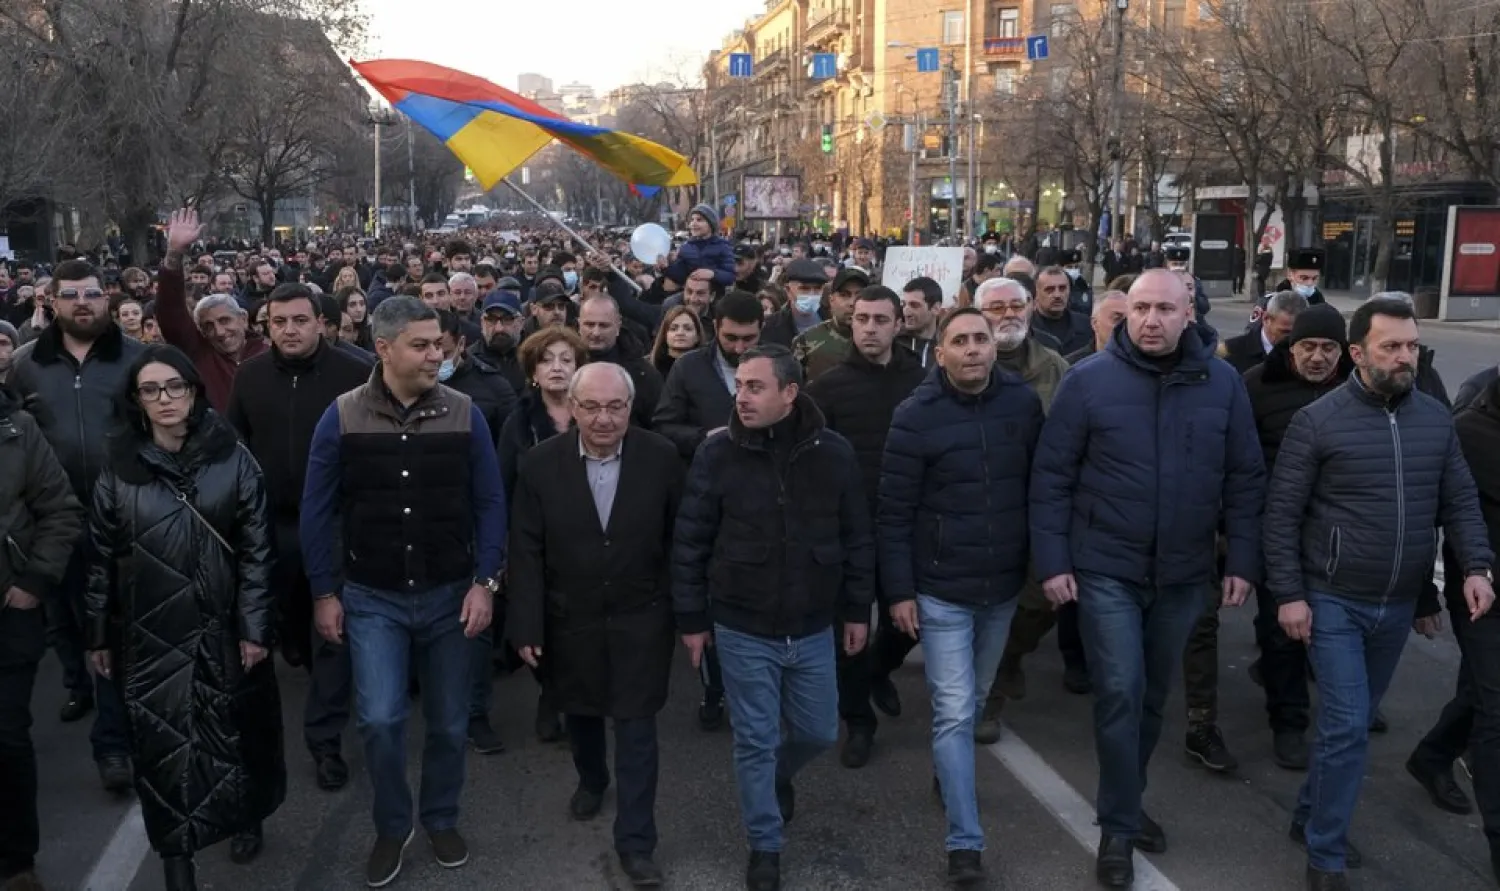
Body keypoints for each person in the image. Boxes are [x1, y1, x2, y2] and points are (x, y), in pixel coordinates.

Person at [1029, 269, 1265, 888]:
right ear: (1124, 314)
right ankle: (1118, 828)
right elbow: (1051, 478)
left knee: (1154, 696)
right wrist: (1053, 562)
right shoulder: (1087, 383)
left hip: (1185, 573)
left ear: (1190, 313)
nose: (1151, 320)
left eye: (1164, 308)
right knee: (1120, 690)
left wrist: (1242, 558)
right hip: (1107, 567)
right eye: (1139, 308)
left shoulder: (1222, 384)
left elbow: (1244, 477)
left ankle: (1124, 803)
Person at [1263, 297, 1494, 891]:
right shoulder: (1317, 422)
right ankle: (1326, 856)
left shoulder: (1435, 419)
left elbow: (1460, 502)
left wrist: (1475, 567)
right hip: (1332, 597)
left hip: (1393, 603)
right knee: (1345, 727)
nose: (1404, 356)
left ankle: (1310, 813)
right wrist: (1289, 595)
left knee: (1356, 720)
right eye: (1391, 346)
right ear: (1357, 353)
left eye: (1412, 345)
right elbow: (1282, 517)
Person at [300, 297, 505, 888]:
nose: (435, 354)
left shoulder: (467, 413)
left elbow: (490, 503)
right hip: (372, 597)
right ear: (383, 349)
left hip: (450, 595)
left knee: (447, 723)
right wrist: (324, 591)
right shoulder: (339, 417)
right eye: (421, 345)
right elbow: (319, 512)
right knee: (382, 719)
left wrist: (485, 582)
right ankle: (394, 825)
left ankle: (440, 816)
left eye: (438, 344)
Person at [672, 343, 875, 891]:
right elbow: (691, 541)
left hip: (812, 624)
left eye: (755, 387)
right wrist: (692, 619)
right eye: (739, 386)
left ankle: (778, 776)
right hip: (741, 623)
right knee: (754, 740)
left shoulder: (833, 454)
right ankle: (765, 844)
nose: (742, 397)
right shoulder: (716, 455)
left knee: (816, 730)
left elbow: (857, 536)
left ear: (790, 393)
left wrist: (858, 609)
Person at [84, 344, 284, 890]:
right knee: (163, 749)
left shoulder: (232, 457)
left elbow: (257, 550)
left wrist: (254, 627)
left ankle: (245, 816)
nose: (164, 399)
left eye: (174, 386)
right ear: (136, 401)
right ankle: (178, 861)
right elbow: (100, 557)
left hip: (223, 626)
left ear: (194, 392)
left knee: (232, 734)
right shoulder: (119, 467)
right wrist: (98, 634)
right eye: (150, 390)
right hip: (150, 633)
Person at [878, 306, 1043, 886]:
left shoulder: (1022, 404)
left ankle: (948, 774)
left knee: (971, 705)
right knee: (953, 712)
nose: (974, 348)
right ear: (940, 352)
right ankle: (965, 843)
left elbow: (1040, 488)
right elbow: (893, 513)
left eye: (982, 338)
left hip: (1001, 586)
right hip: (941, 587)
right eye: (961, 341)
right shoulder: (914, 417)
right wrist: (900, 591)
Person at [507, 363, 685, 888]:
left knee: (636, 731)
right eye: (591, 407)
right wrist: (526, 623)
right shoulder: (539, 465)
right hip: (571, 618)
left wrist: (686, 614)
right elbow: (527, 549)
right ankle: (590, 777)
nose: (604, 419)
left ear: (631, 407)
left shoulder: (662, 458)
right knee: (581, 714)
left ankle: (636, 842)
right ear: (572, 407)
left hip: (641, 617)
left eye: (616, 407)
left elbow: (680, 539)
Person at [226, 283, 371, 794]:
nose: (289, 330)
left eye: (299, 320)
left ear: (320, 323)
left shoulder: (356, 373)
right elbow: (234, 445)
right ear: (266, 326)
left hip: (336, 523)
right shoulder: (250, 377)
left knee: (332, 633)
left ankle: (325, 742)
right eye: (279, 321)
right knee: (286, 626)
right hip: (269, 525)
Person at [7, 257, 142, 792]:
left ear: (106, 299)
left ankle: (112, 744)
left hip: (122, 519)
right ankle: (78, 686)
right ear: (52, 302)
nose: (82, 303)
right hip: (52, 525)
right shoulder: (24, 365)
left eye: (91, 294)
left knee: (108, 629)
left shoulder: (138, 359)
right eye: (71, 295)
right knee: (64, 624)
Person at [804, 285, 927, 769]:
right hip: (848, 533)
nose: (870, 328)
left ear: (899, 324)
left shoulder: (921, 381)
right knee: (849, 632)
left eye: (880, 319)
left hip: (905, 528)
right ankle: (858, 722)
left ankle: (882, 667)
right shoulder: (827, 388)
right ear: (850, 323)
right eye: (861, 319)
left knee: (910, 623)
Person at [970, 277, 1082, 742]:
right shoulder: (969, 361)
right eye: (995, 308)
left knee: (1043, 600)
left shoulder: (1055, 367)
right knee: (987, 605)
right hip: (979, 507)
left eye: (1016, 306)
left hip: (1041, 506)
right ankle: (987, 697)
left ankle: (1011, 656)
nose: (1007, 315)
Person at [1408, 370, 1500, 881]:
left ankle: (1434, 754)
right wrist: (1424, 594)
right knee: (1497, 712)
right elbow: (1430, 517)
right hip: (1483, 593)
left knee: (1484, 694)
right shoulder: (1467, 432)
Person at [0, 382, 84, 891]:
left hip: (10, 611)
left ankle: (16, 861)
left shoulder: (18, 430)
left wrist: (32, 583)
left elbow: (60, 509)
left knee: (6, 736)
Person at [497, 325, 588, 743]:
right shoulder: (518, 422)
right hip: (534, 541)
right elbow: (502, 485)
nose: (557, 367)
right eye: (547, 360)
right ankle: (550, 692)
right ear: (533, 372)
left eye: (566, 360)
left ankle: (572, 700)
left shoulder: (596, 412)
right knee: (537, 627)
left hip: (589, 539)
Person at [155, 210, 267, 412]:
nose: (219, 332)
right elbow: (170, 312)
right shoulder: (200, 354)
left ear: (242, 318)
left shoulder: (269, 353)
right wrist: (174, 253)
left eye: (225, 321)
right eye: (208, 326)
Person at [578, 294, 662, 431]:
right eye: (589, 324)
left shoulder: (644, 374)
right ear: (579, 325)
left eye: (604, 326)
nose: (596, 332)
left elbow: (657, 424)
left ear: (618, 326)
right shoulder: (565, 367)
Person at [792, 266, 866, 381]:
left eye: (860, 295)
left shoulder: (883, 341)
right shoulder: (805, 341)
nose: (852, 303)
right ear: (831, 300)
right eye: (844, 295)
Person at [1220, 291, 1307, 373]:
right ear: (1265, 318)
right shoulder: (1231, 352)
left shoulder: (1310, 355)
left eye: (1298, 333)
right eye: (1285, 332)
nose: (1292, 338)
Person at [1030, 266, 1093, 355]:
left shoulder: (1086, 324)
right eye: (1050, 289)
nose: (1057, 295)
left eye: (1062, 288)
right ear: (1036, 293)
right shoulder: (1026, 328)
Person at [474, 290, 527, 394]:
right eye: (491, 319)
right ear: (482, 322)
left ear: (521, 323)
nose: (499, 328)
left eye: (507, 319)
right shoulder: (470, 361)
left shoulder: (535, 357)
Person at [1064, 290, 1128, 364]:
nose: (1125, 326)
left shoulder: (1141, 364)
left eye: (1129, 320)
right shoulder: (1071, 366)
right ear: (1095, 323)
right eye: (1117, 319)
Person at [648, 305, 704, 380]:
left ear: (698, 336)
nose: (680, 333)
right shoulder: (648, 368)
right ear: (665, 334)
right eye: (673, 329)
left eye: (688, 329)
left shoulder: (708, 368)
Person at [897, 277, 941, 368]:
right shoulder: (894, 343)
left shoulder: (947, 345)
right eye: (904, 304)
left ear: (935, 308)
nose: (906, 311)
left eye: (914, 305)